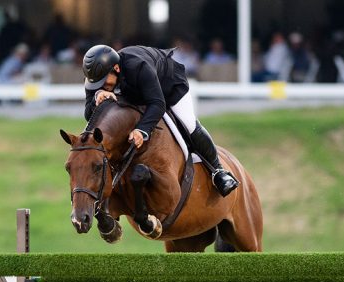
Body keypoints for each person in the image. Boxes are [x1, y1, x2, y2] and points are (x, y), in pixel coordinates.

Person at [82, 44, 239, 197]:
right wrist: (97, 99)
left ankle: (218, 171)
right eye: (97, 84)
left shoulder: (138, 66)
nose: (101, 86)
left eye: (103, 82)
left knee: (189, 124)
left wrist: (141, 130)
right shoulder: (96, 79)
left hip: (168, 86)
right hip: (135, 92)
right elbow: (89, 117)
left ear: (116, 68)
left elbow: (158, 103)